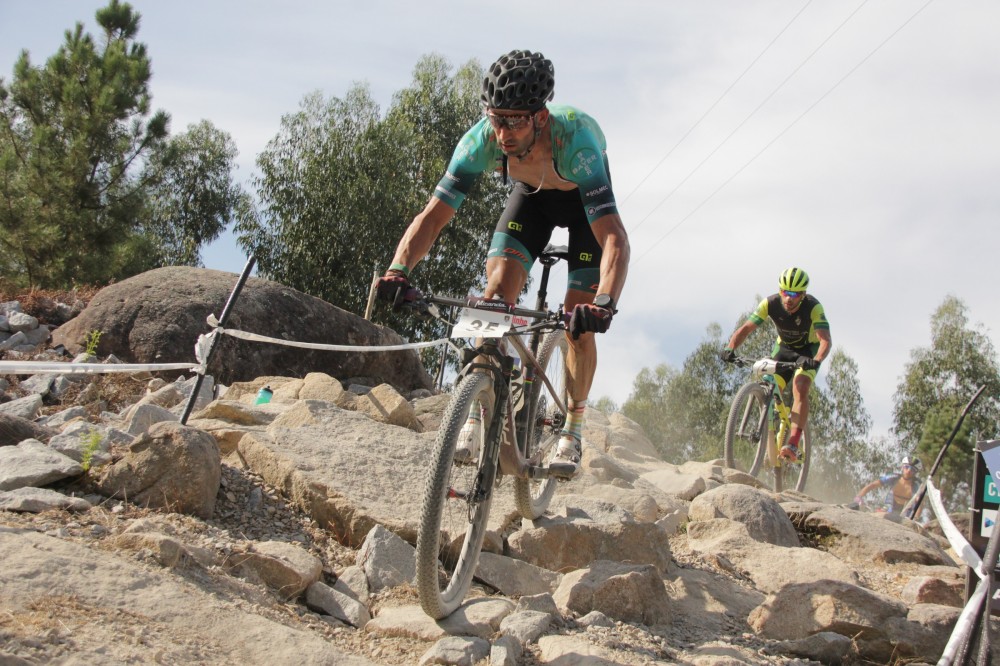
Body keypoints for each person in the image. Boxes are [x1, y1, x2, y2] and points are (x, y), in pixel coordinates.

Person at [375, 49, 630, 479]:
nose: (503, 132)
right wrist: (399, 269)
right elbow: (434, 216)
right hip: (531, 202)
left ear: (541, 117)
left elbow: (613, 237)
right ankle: (475, 409)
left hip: (582, 208)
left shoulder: (577, 143)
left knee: (577, 323)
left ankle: (574, 426)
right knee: (493, 297)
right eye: (496, 118)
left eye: (515, 120)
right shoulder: (481, 140)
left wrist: (604, 301)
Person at [720, 267, 832, 463]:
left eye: (794, 294)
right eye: (785, 292)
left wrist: (816, 360)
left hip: (808, 351)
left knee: (801, 387)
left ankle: (794, 442)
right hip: (784, 349)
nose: (788, 298)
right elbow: (746, 328)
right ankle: (767, 435)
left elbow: (825, 341)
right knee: (767, 385)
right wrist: (730, 348)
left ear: (803, 295)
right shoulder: (770, 303)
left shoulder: (814, 307)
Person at [854, 456, 921, 517]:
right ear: (902, 467)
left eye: (912, 469)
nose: (908, 471)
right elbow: (872, 485)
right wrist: (859, 496)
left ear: (915, 472)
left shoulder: (917, 485)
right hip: (888, 509)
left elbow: (920, 503)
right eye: (906, 467)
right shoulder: (893, 477)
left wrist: (916, 518)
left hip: (906, 514)